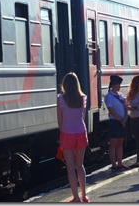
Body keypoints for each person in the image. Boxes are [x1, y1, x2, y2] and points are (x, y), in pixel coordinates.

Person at [57, 72, 90, 202]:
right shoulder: (83, 97)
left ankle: (76, 197)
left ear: (65, 84)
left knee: (70, 167)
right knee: (80, 165)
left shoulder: (60, 98)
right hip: (81, 132)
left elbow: (60, 121)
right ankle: (84, 195)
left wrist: (63, 131)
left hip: (67, 133)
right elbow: (83, 117)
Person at [104, 75, 129, 170]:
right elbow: (111, 111)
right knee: (113, 143)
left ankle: (120, 163)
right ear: (114, 84)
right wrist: (120, 120)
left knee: (120, 143)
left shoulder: (121, 95)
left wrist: (125, 117)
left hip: (122, 121)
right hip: (114, 121)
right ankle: (114, 164)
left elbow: (126, 107)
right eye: (118, 84)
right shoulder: (109, 96)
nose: (119, 86)